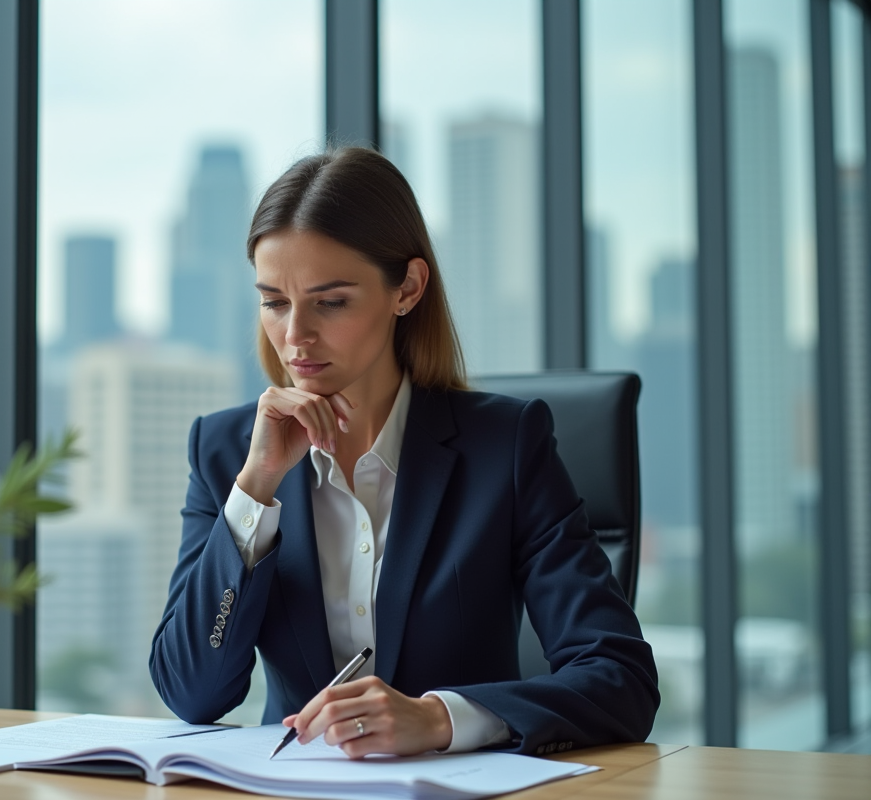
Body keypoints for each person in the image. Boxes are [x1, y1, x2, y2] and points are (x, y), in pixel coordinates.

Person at [149, 147, 658, 758]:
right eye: (274, 301)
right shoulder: (226, 451)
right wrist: (255, 488)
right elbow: (191, 693)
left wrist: (439, 719)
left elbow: (620, 678)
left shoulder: (507, 448)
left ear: (407, 289)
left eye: (330, 301)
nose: (294, 336)